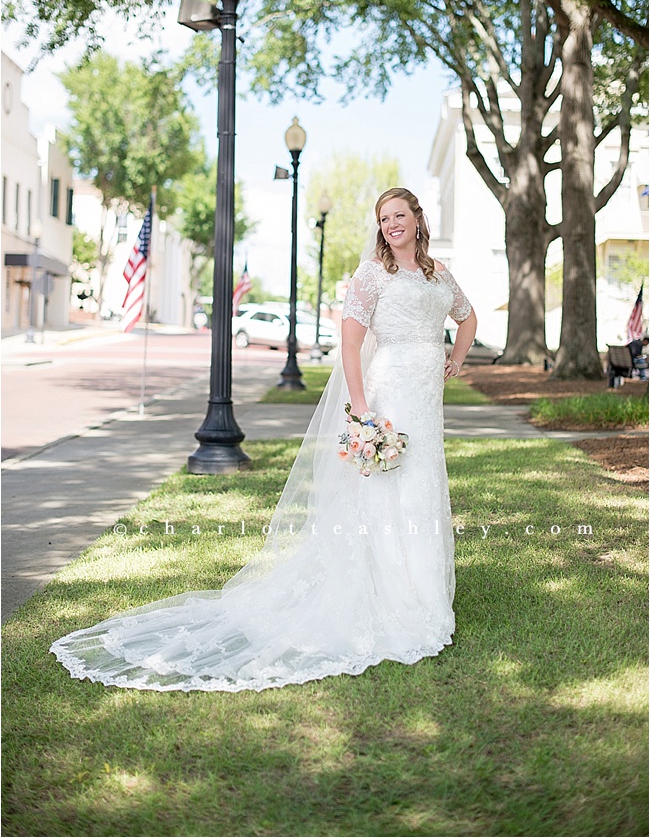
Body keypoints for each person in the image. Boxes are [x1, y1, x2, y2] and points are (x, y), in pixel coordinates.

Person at [50, 188, 477, 693]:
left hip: (426, 401)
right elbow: (351, 342)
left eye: (399, 216)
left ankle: (425, 596)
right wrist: (361, 409)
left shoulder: (437, 273)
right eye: (384, 218)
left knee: (423, 484)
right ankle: (392, 596)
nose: (391, 225)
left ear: (417, 218)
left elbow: (467, 317)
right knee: (387, 488)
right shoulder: (371, 275)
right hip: (388, 395)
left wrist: (457, 358)